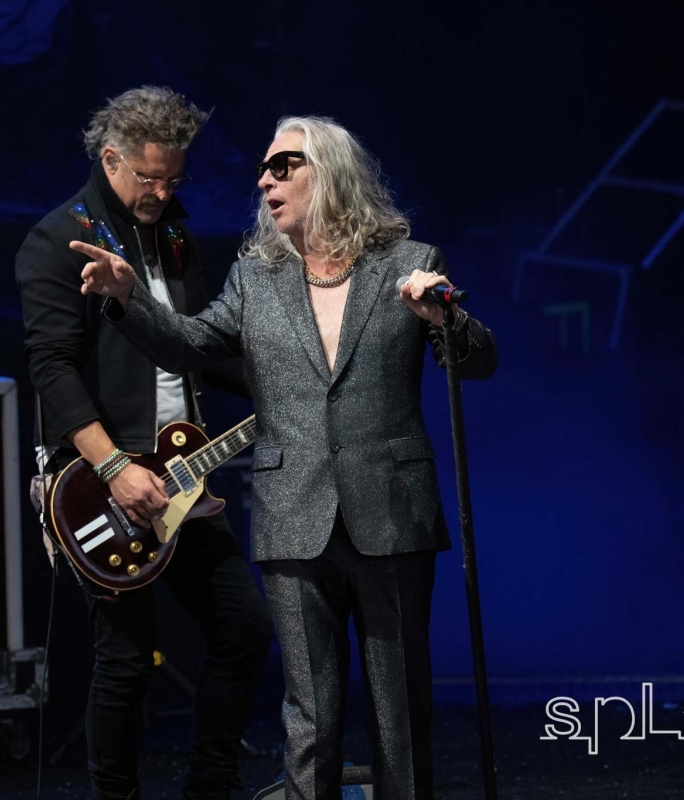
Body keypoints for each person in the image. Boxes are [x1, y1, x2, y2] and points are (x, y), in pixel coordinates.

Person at [73, 115, 499, 800]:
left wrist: (446, 319)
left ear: (328, 172)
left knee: (399, 713)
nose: (265, 182)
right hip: (293, 517)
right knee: (311, 720)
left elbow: (477, 363)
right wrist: (128, 298)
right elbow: (188, 344)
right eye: (262, 172)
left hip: (392, 513)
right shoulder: (256, 278)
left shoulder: (408, 263)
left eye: (283, 166)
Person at [15, 86, 273, 800]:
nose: (163, 193)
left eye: (175, 179)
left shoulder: (176, 237)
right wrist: (113, 466)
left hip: (183, 472)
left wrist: (284, 381)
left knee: (244, 630)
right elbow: (53, 370)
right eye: (150, 178)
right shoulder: (58, 239)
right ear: (110, 159)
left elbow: (196, 346)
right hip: (103, 483)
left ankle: (209, 788)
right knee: (126, 658)